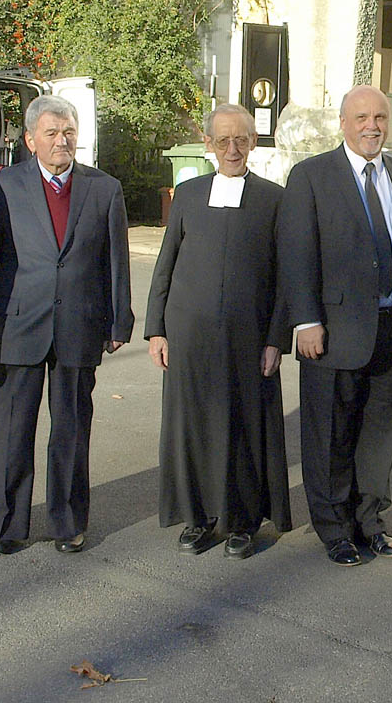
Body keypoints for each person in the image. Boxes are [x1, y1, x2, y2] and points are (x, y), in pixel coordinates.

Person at [0, 95, 133, 556]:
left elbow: (115, 260)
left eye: (68, 132)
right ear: (30, 140)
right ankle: (6, 527)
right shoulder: (2, 186)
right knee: (10, 431)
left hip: (78, 326)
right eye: (51, 133)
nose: (62, 141)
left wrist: (118, 318)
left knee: (70, 429)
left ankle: (67, 523)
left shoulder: (104, 189)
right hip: (17, 327)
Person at [279, 85, 392, 567]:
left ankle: (371, 522)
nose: (372, 125)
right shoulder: (311, 176)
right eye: (362, 116)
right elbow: (297, 254)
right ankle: (334, 527)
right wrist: (305, 321)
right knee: (330, 434)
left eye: (380, 116)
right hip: (334, 329)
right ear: (343, 123)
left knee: (380, 434)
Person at [145, 104, 292, 559]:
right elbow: (165, 264)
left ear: (253, 143)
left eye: (242, 140)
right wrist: (156, 329)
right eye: (223, 141)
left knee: (244, 428)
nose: (233, 149)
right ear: (208, 145)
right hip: (188, 334)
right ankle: (199, 517)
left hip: (249, 339)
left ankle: (243, 521)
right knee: (191, 426)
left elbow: (286, 277)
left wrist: (276, 339)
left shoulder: (272, 198)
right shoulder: (188, 195)